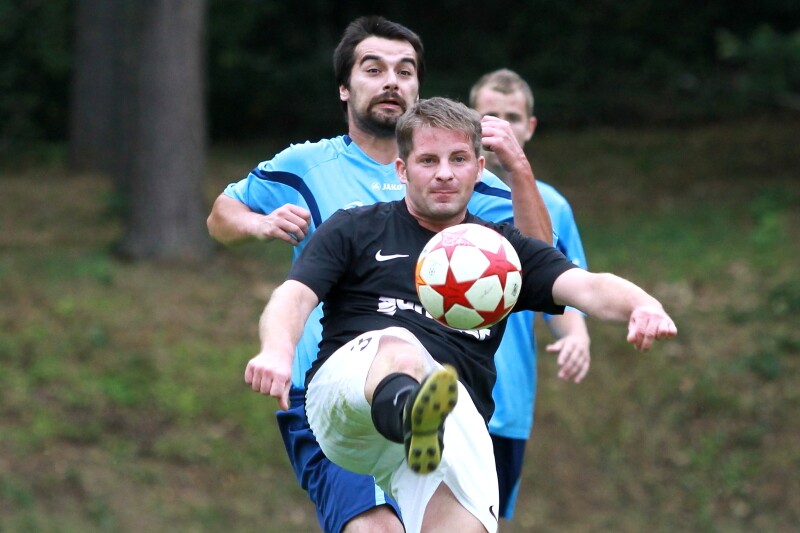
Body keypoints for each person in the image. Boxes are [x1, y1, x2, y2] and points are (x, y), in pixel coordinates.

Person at [244, 96, 678, 533]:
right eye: (428, 160)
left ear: (479, 168)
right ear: (402, 170)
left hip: (452, 417)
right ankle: (410, 410)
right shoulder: (356, 227)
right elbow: (294, 296)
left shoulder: (501, 254)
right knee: (403, 352)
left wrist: (643, 305)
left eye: (458, 159)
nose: (445, 173)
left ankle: (423, 422)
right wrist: (277, 351)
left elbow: (586, 285)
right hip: (350, 403)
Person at [207, 16, 552, 533]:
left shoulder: (452, 176)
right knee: (372, 527)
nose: (392, 81)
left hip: (439, 398)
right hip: (331, 390)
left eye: (405, 71)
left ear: (418, 89)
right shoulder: (306, 165)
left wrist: (520, 172)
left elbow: (540, 261)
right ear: (345, 87)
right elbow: (220, 216)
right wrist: (259, 223)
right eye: (374, 69)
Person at [469, 68, 591, 520]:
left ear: (530, 128)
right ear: (470, 122)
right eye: (490, 116)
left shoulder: (550, 206)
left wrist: (577, 335)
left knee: (484, 522)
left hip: (508, 400)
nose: (501, 127)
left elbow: (563, 285)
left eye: (513, 117)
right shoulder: (443, 193)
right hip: (441, 389)